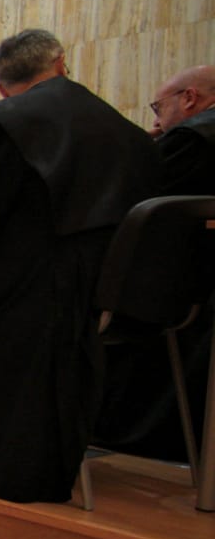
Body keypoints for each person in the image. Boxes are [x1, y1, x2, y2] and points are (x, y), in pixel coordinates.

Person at [0, 29, 162, 502]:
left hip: (30, 284)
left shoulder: (0, 122)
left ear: (2, 86)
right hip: (115, 292)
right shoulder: (130, 133)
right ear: (61, 64)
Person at [92, 64, 215, 460]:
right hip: (189, 296)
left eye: (158, 106)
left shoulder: (191, 140)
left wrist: (141, 149)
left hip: (138, 297)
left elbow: (118, 199)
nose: (157, 118)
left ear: (190, 99)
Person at [149, 63, 215, 194]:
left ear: (189, 98)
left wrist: (135, 142)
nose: (156, 123)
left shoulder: (190, 136)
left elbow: (132, 191)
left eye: (158, 109)